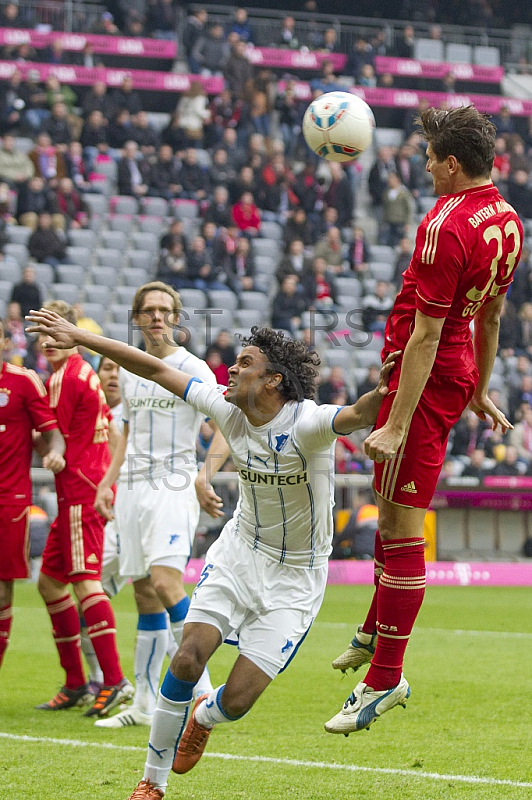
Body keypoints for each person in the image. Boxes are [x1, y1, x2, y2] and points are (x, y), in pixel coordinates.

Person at [26, 305, 399, 800]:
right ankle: (150, 784)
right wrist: (78, 335)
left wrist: (388, 387)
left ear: (273, 382)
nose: (231, 368)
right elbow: (155, 367)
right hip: (240, 553)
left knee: (239, 701)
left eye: (244, 363)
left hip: (297, 577)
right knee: (186, 658)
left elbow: (358, 414)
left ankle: (203, 717)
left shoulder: (307, 423)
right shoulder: (227, 408)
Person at [327, 105, 521, 736]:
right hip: (451, 374)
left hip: (427, 378)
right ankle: (373, 627)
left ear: (454, 163)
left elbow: (428, 333)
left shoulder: (444, 224)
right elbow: (488, 318)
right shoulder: (510, 222)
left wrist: (396, 422)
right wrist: (479, 388)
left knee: (403, 523)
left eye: (432, 159)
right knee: (387, 512)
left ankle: (385, 677)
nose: (427, 168)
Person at [81, 282, 217, 729]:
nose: (157, 317)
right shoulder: (128, 368)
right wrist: (107, 482)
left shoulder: (194, 368)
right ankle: (142, 703)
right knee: (143, 593)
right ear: (137, 318)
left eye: (165, 310)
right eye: (149, 311)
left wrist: (203, 475)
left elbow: (228, 425)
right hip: (132, 488)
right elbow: (125, 429)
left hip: (173, 484)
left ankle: (202, 694)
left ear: (177, 318)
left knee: (165, 582)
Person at [33, 300, 133, 717]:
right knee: (50, 584)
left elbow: (49, 436)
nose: (47, 341)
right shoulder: (80, 374)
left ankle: (114, 681)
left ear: (71, 334)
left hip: (79, 490)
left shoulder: (63, 378)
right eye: (41, 335)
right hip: (81, 487)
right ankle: (76, 681)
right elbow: (105, 432)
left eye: (55, 331)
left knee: (86, 582)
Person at [0, 316, 65, 669]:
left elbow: (51, 429)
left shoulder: (22, 382)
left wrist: (54, 451)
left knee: (1, 590)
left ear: (5, 344)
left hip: (9, 501)